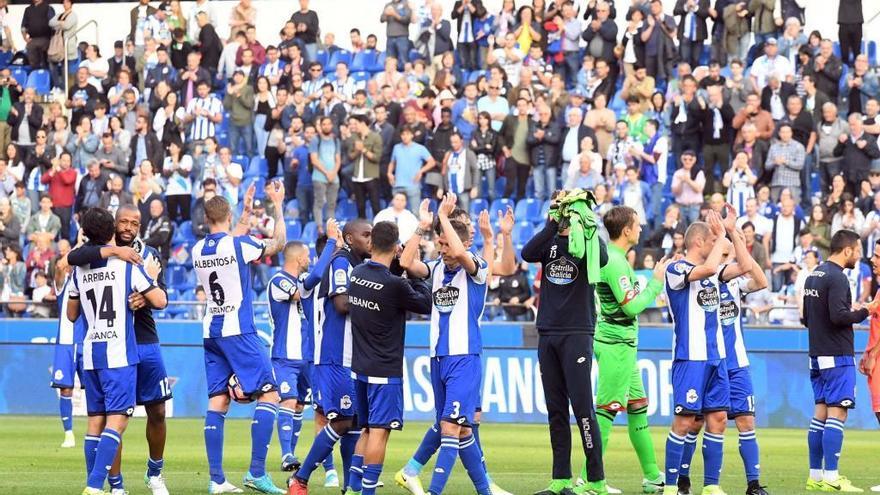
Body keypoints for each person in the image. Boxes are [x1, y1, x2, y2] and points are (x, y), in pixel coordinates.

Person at [393, 194, 494, 495]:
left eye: (445, 244)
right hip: (438, 357)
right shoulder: (437, 270)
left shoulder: (475, 267)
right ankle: (485, 492)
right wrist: (423, 227)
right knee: (460, 430)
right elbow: (406, 262)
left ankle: (434, 491)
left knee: (450, 426)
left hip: (464, 357)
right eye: (439, 244)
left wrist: (444, 218)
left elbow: (462, 251)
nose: (442, 249)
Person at [192, 181, 288, 494]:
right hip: (240, 330)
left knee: (218, 400)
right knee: (270, 393)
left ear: (206, 218)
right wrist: (278, 204)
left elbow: (227, 243)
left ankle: (216, 480)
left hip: (211, 331)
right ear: (228, 216)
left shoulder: (197, 249)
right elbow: (278, 244)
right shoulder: (238, 246)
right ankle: (257, 472)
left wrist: (245, 211)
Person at [68, 207, 166, 495]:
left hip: (96, 350)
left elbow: (72, 313)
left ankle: (111, 482)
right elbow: (161, 300)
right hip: (119, 351)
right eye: (123, 221)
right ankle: (100, 486)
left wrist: (141, 299)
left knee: (98, 421)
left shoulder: (80, 271)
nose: (128, 226)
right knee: (117, 420)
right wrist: (146, 285)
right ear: (113, 226)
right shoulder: (129, 265)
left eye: (135, 222)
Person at [520, 191, 607, 495]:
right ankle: (560, 480)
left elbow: (604, 258)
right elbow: (527, 253)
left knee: (583, 408)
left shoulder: (589, 245)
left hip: (577, 333)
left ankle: (596, 480)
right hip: (548, 333)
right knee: (556, 410)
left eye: (570, 211)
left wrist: (587, 225)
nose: (567, 215)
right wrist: (551, 221)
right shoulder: (549, 243)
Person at [676, 223, 772, 495]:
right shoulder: (706, 281)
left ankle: (753, 484)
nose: (730, 260)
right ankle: (683, 479)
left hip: (736, 363)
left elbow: (761, 280)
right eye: (725, 255)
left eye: (730, 256)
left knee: (746, 421)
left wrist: (738, 240)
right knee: (695, 422)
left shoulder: (736, 286)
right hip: (709, 361)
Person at [341, 220, 433, 495]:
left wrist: (396, 264)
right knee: (380, 431)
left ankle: (354, 487)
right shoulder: (395, 285)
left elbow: (382, 281)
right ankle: (367, 491)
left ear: (370, 244)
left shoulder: (356, 273)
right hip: (384, 369)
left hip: (359, 366)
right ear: (395, 248)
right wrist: (413, 271)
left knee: (366, 429)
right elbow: (425, 303)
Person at [287, 219, 373, 494]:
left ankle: (351, 486)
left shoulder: (356, 267)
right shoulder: (340, 263)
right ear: (349, 238)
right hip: (334, 356)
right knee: (342, 421)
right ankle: (300, 479)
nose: (371, 239)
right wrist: (376, 302)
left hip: (349, 356)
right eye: (366, 235)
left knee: (355, 422)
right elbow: (341, 303)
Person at [663, 210, 744, 495]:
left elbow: (743, 267)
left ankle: (711, 486)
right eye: (712, 240)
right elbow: (708, 268)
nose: (718, 247)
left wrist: (731, 233)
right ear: (699, 242)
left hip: (716, 357)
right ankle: (671, 486)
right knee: (685, 421)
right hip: (690, 358)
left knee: (719, 419)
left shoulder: (716, 273)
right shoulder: (676, 270)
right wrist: (721, 234)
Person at [592, 206, 668, 493]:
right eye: (637, 225)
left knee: (637, 407)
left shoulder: (615, 259)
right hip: (615, 346)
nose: (640, 228)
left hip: (623, 345)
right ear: (626, 230)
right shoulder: (615, 262)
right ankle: (589, 480)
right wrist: (655, 283)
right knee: (607, 411)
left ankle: (651, 476)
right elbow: (632, 306)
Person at [803, 230, 875, 492]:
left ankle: (815, 476)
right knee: (838, 413)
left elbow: (805, 316)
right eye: (857, 250)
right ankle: (832, 477)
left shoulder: (815, 274)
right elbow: (839, 317)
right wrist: (867, 310)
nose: (858, 255)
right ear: (847, 250)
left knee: (820, 413)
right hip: (836, 355)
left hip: (816, 353)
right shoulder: (838, 277)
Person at [268, 218, 339, 472]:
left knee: (301, 406)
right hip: (285, 355)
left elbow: (320, 276)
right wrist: (331, 241)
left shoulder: (304, 279)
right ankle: (287, 455)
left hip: (309, 356)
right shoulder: (278, 281)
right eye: (307, 255)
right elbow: (311, 282)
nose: (309, 259)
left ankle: (299, 457)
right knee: (287, 401)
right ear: (298, 259)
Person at [49, 262, 86, 449]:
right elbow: (58, 267)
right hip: (66, 343)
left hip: (88, 341)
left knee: (98, 390)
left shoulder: (89, 277)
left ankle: (99, 433)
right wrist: (78, 245)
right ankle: (69, 434)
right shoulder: (63, 283)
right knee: (65, 389)